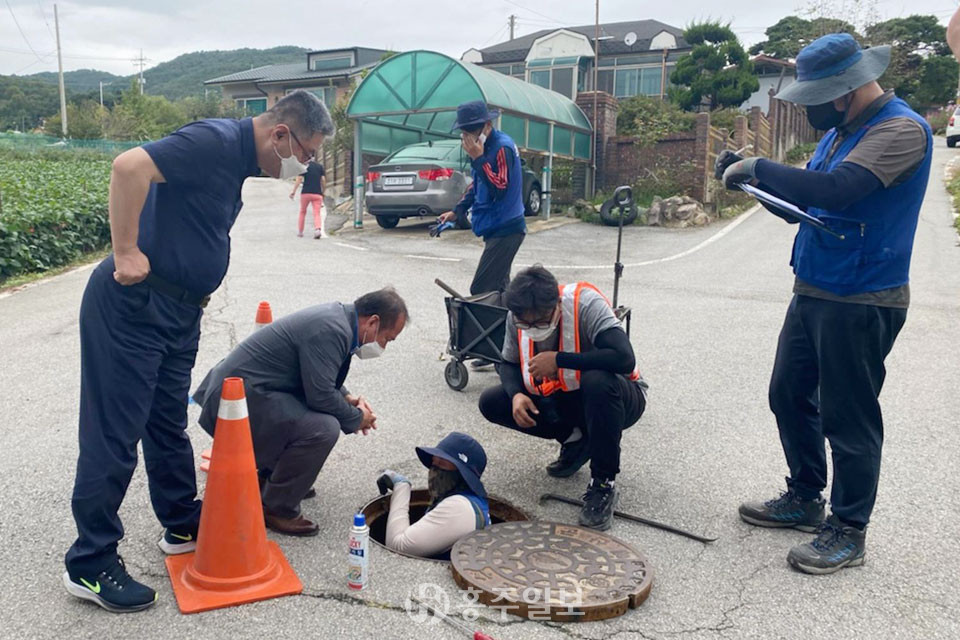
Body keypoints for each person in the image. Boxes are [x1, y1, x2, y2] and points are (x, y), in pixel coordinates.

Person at [62, 90, 334, 613]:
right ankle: (90, 563)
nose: (304, 164)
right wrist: (125, 251)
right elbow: (127, 167)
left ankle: (180, 519)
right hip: (133, 307)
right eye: (305, 153)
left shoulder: (237, 163)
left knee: (166, 422)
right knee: (114, 434)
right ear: (280, 135)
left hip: (178, 313)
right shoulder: (213, 141)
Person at [716, 33, 932, 575]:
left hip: (863, 296)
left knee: (849, 416)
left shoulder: (900, 129)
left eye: (816, 96)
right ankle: (806, 497)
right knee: (788, 394)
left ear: (846, 89)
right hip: (814, 287)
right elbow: (800, 205)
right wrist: (749, 179)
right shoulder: (841, 130)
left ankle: (849, 530)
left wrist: (761, 165)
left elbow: (836, 191)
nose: (810, 107)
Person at [193, 288, 407, 537]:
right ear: (373, 321)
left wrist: (347, 398)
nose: (383, 347)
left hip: (248, 394)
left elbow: (320, 374)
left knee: (312, 416)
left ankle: (274, 480)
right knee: (323, 428)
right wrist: (357, 418)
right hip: (234, 403)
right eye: (387, 339)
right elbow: (320, 395)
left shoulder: (338, 320)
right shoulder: (332, 329)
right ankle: (276, 506)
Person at [478, 266, 647, 531]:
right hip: (567, 398)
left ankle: (603, 484)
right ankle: (576, 441)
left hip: (619, 398)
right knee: (491, 401)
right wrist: (516, 395)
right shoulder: (517, 314)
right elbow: (508, 363)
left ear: (557, 304)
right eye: (526, 323)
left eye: (542, 320)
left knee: (597, 380)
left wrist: (559, 360)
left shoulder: (585, 305)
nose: (534, 328)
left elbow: (624, 357)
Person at [438, 100, 527, 369]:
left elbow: (500, 185)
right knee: (503, 291)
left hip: (507, 229)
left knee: (482, 289)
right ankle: (508, 348)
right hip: (495, 229)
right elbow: (477, 187)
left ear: (487, 125)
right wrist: (456, 211)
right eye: (464, 133)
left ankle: (490, 348)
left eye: (471, 131)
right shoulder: (484, 148)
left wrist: (478, 159)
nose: (467, 138)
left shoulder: (501, 147)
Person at [377, 432, 490, 559]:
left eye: (442, 463)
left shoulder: (458, 508)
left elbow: (397, 547)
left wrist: (401, 487)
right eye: (434, 462)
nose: (434, 470)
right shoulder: (468, 499)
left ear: (462, 474)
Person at [290, 156, 327, 238]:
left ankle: (300, 231)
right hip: (317, 194)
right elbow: (323, 180)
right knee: (316, 213)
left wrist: (293, 192)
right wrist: (323, 191)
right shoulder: (319, 167)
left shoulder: (303, 167)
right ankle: (317, 230)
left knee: (302, 212)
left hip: (305, 193)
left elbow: (299, 179)